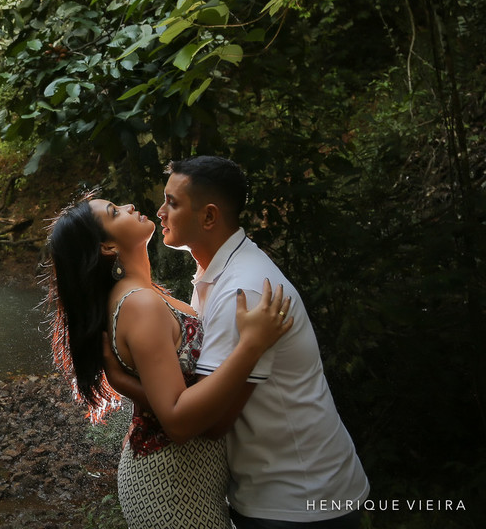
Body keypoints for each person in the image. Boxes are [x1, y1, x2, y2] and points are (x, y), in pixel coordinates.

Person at [46, 193, 294, 529]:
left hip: (187, 477)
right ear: (107, 247)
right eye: (114, 212)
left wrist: (126, 385)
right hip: (171, 488)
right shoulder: (139, 304)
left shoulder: (145, 294)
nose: (129, 207)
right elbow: (176, 420)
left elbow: (167, 394)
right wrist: (252, 345)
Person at [154, 155, 370, 527]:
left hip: (301, 497)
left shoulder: (245, 290)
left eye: (172, 203)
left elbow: (212, 421)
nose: (160, 212)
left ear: (208, 217)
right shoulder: (218, 275)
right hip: (277, 489)